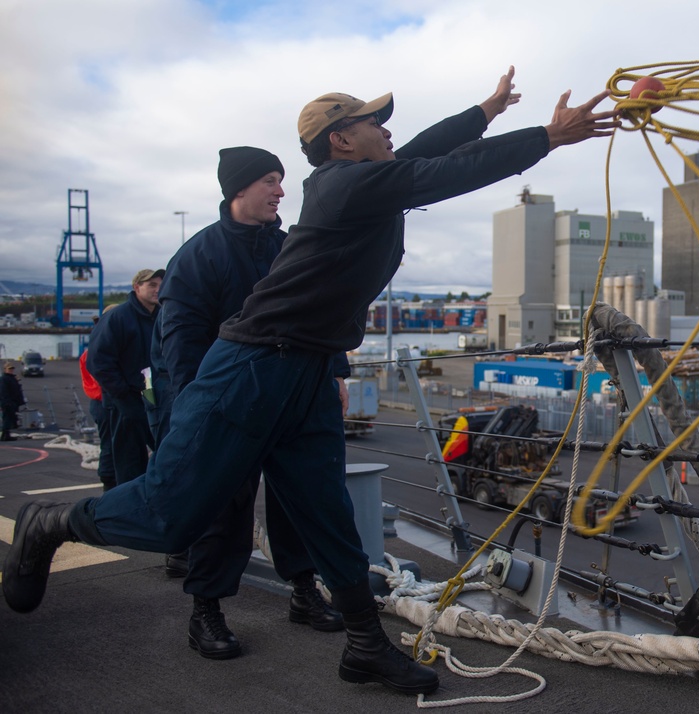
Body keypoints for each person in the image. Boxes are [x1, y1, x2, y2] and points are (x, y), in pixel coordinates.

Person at [3, 67, 619, 695]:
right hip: (251, 368)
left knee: (326, 515)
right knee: (170, 518)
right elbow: (438, 172)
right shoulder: (342, 188)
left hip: (308, 370)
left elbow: (426, 153)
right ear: (340, 141)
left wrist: (482, 113)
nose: (386, 130)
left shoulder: (367, 179)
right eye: (371, 122)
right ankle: (52, 523)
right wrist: (546, 135)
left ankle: (364, 646)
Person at [151, 146, 346, 659]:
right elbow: (181, 344)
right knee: (224, 507)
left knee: (298, 500)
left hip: (294, 399)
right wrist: (198, 408)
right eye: (269, 180)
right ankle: (207, 612)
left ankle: (304, 593)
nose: (281, 190)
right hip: (227, 406)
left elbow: (320, 313)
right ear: (237, 188)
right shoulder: (198, 256)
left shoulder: (289, 246)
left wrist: (337, 374)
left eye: (281, 180)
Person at [86, 270, 163, 485]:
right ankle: (124, 509)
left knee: (165, 452)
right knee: (128, 462)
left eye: (160, 284)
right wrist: (121, 393)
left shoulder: (161, 316)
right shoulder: (118, 317)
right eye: (151, 285)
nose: (158, 289)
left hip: (152, 396)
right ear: (137, 287)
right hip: (125, 401)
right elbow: (98, 361)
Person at [79, 344, 116, 491]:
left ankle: (109, 479)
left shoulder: (87, 355)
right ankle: (109, 480)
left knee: (108, 443)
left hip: (97, 401)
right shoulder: (97, 354)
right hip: (104, 401)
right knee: (110, 444)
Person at [1, 361, 26, 441]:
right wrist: (7, 402)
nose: (11, 370)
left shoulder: (12, 378)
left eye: (12, 368)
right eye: (9, 369)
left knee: (10, 419)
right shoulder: (4, 379)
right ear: (5, 369)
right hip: (8, 402)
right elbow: (3, 392)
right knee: (7, 419)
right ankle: (4, 435)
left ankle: (6, 435)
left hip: (13, 402)